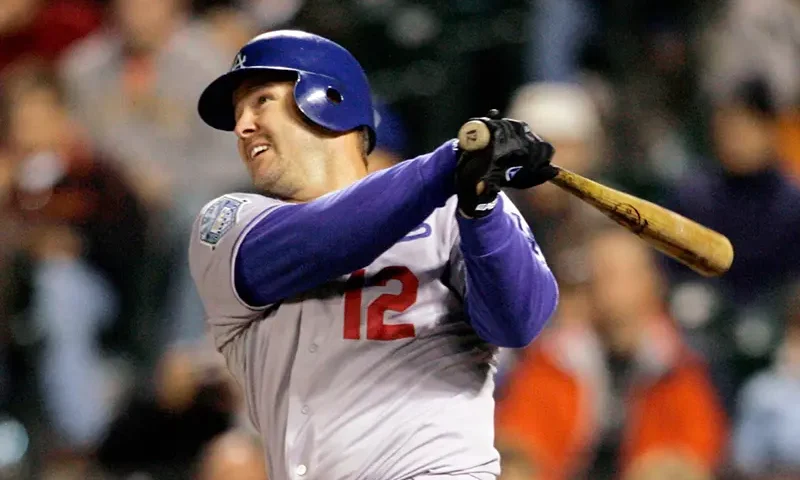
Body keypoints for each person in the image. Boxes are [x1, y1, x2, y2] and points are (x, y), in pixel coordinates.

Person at [188, 30, 559, 480]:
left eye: (260, 100)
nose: (242, 126)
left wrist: (481, 210)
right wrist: (453, 161)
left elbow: (518, 322)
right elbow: (323, 238)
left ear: (328, 97)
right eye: (237, 113)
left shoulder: (454, 206)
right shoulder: (227, 224)